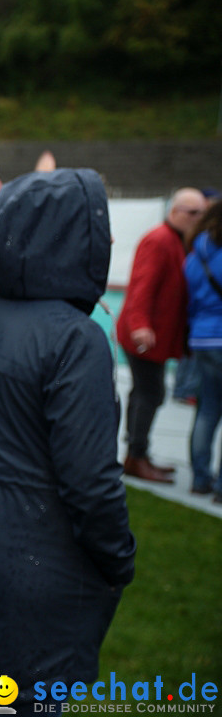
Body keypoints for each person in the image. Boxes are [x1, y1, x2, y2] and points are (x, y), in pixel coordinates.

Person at [0, 168, 136, 715]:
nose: (106, 241)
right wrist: (118, 557)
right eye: (96, 227)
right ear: (64, 236)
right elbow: (90, 479)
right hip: (46, 559)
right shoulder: (73, 337)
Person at [116, 187, 207, 483]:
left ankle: (136, 455)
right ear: (175, 212)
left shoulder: (177, 241)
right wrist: (140, 324)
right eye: (193, 212)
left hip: (151, 335)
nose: (198, 218)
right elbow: (143, 285)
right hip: (144, 337)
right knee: (150, 393)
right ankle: (136, 456)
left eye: (202, 213)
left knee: (145, 393)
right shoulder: (160, 240)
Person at [184, 199, 222, 501]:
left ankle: (199, 479)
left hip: (202, 338)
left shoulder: (195, 256)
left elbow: (193, 301)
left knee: (207, 411)